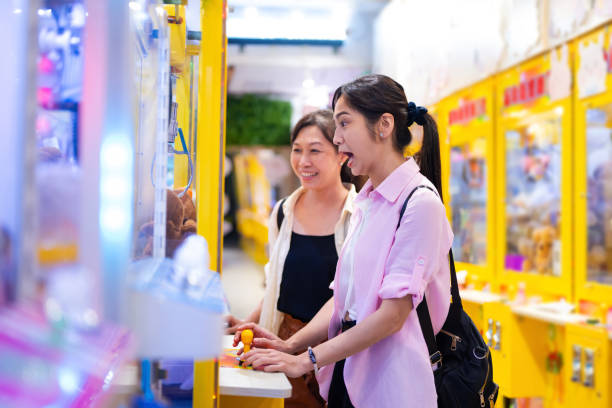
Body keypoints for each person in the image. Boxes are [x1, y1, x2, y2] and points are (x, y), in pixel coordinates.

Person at [235, 74, 453, 408]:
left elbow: (393, 316)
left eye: (344, 124)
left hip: (392, 386)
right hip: (347, 376)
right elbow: (343, 301)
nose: (338, 138)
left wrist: (307, 358)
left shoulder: (419, 202)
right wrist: (289, 346)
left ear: (384, 125)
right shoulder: (369, 199)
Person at [225, 109, 356, 408]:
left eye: (315, 151)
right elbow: (276, 282)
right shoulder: (284, 211)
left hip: (338, 347)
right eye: (297, 150)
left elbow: (350, 294)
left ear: (340, 155)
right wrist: (246, 324)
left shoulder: (359, 214)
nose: (303, 161)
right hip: (286, 339)